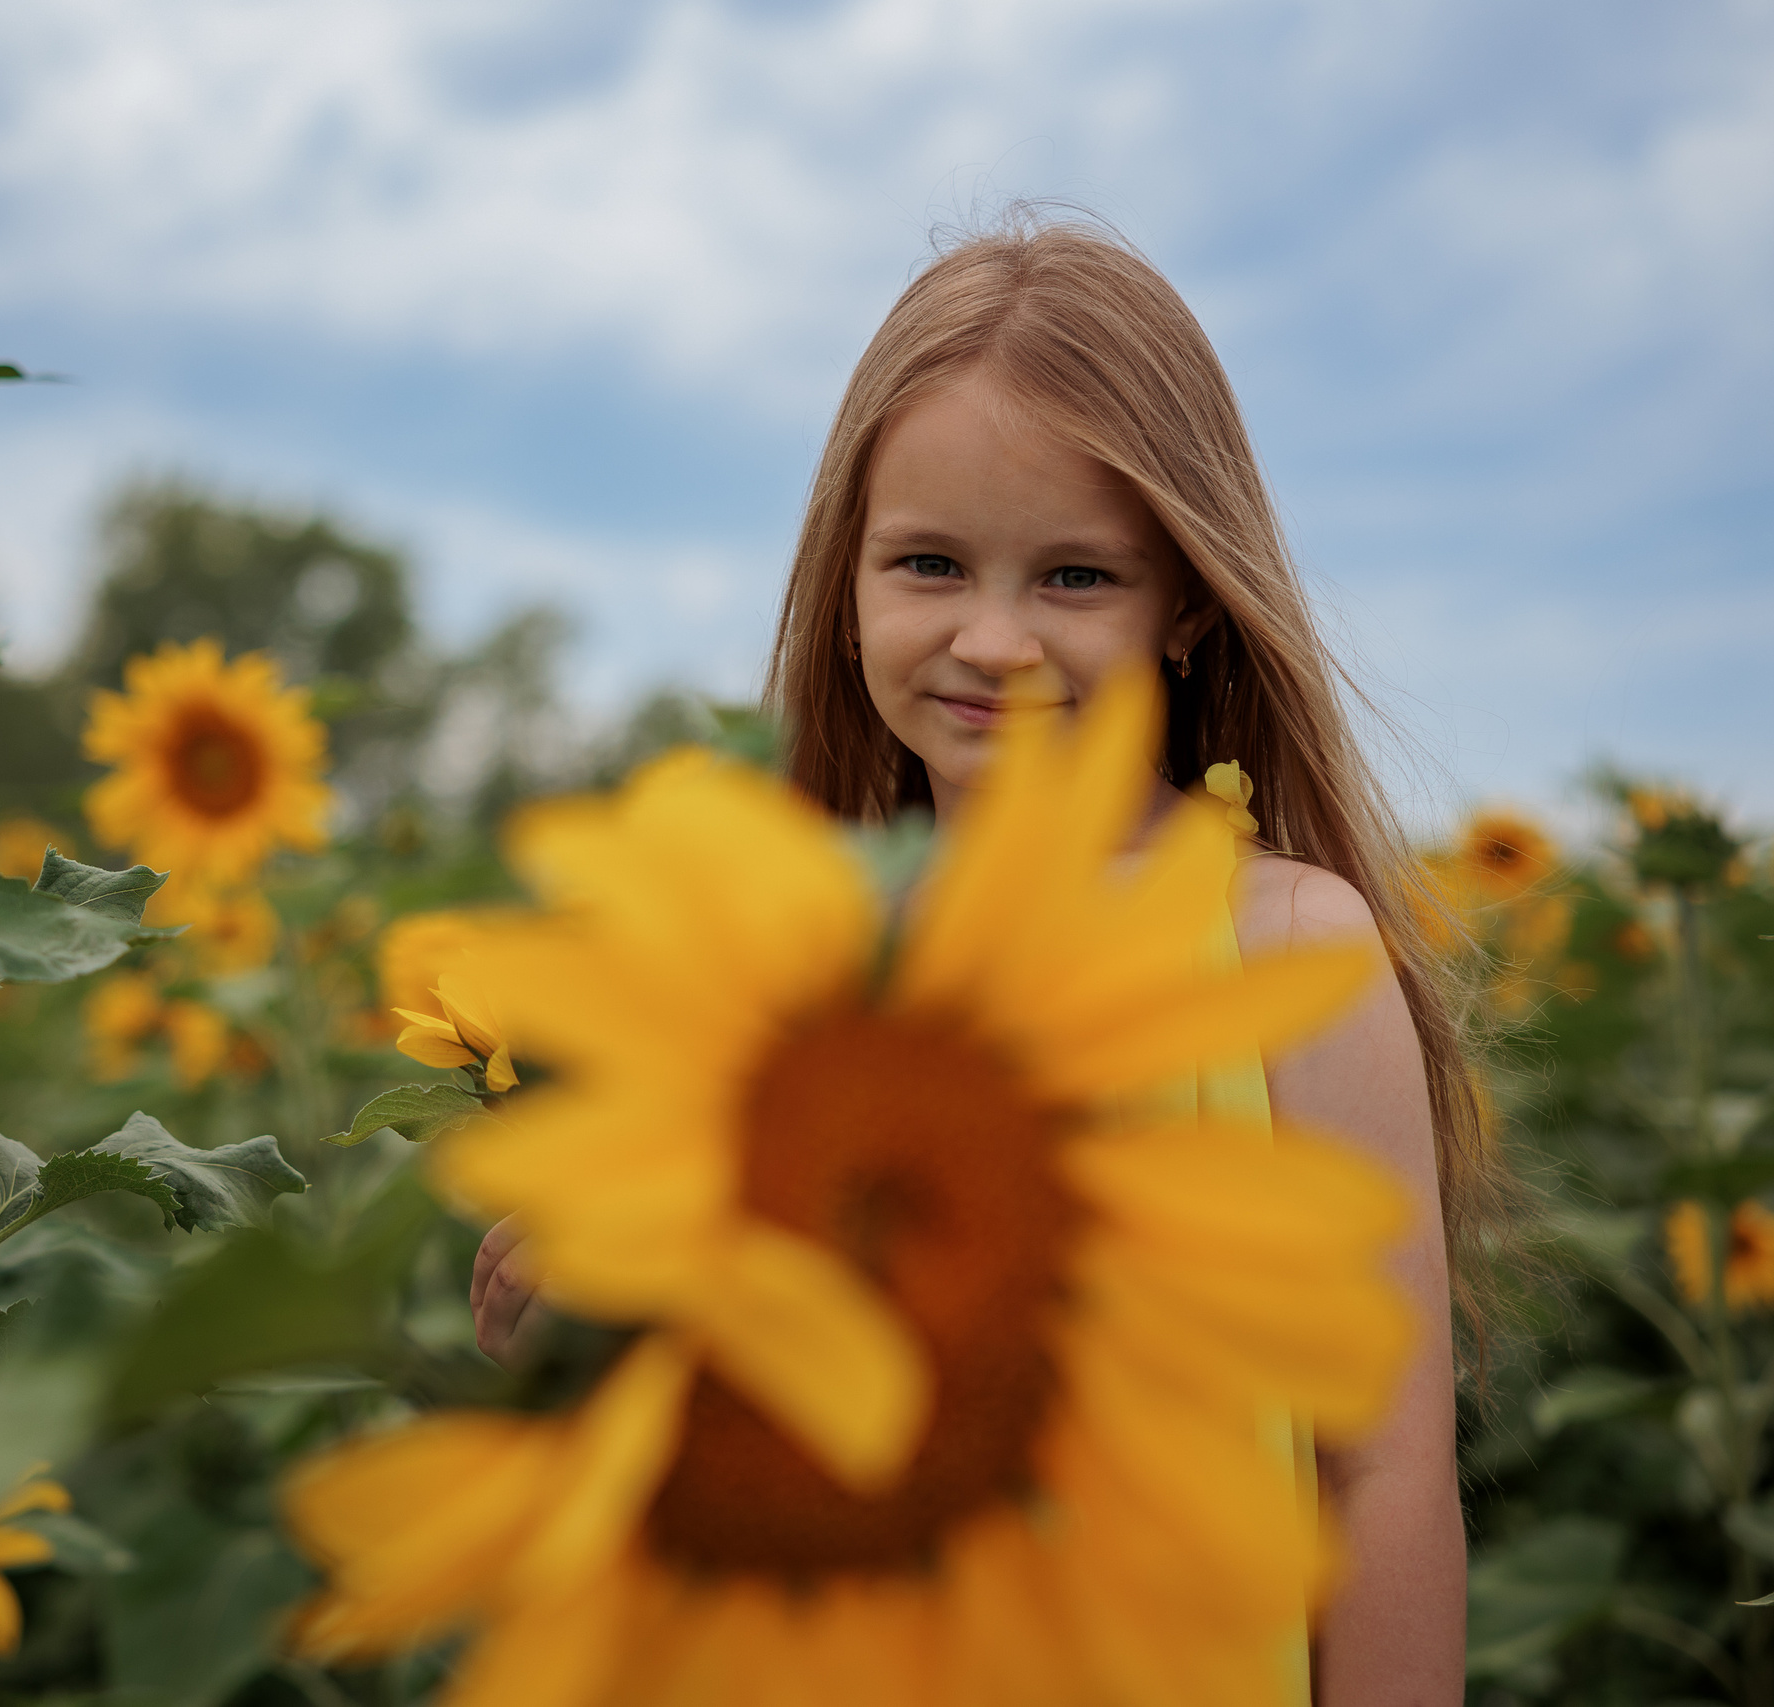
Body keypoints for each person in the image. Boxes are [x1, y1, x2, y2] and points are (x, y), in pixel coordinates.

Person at [470, 216, 1491, 1704]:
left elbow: (1385, 1467)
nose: (994, 641)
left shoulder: (1276, 944)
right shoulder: (782, 963)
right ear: (850, 581)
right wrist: (582, 1343)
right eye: (932, 564)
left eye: (1075, 578)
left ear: (1191, 603)